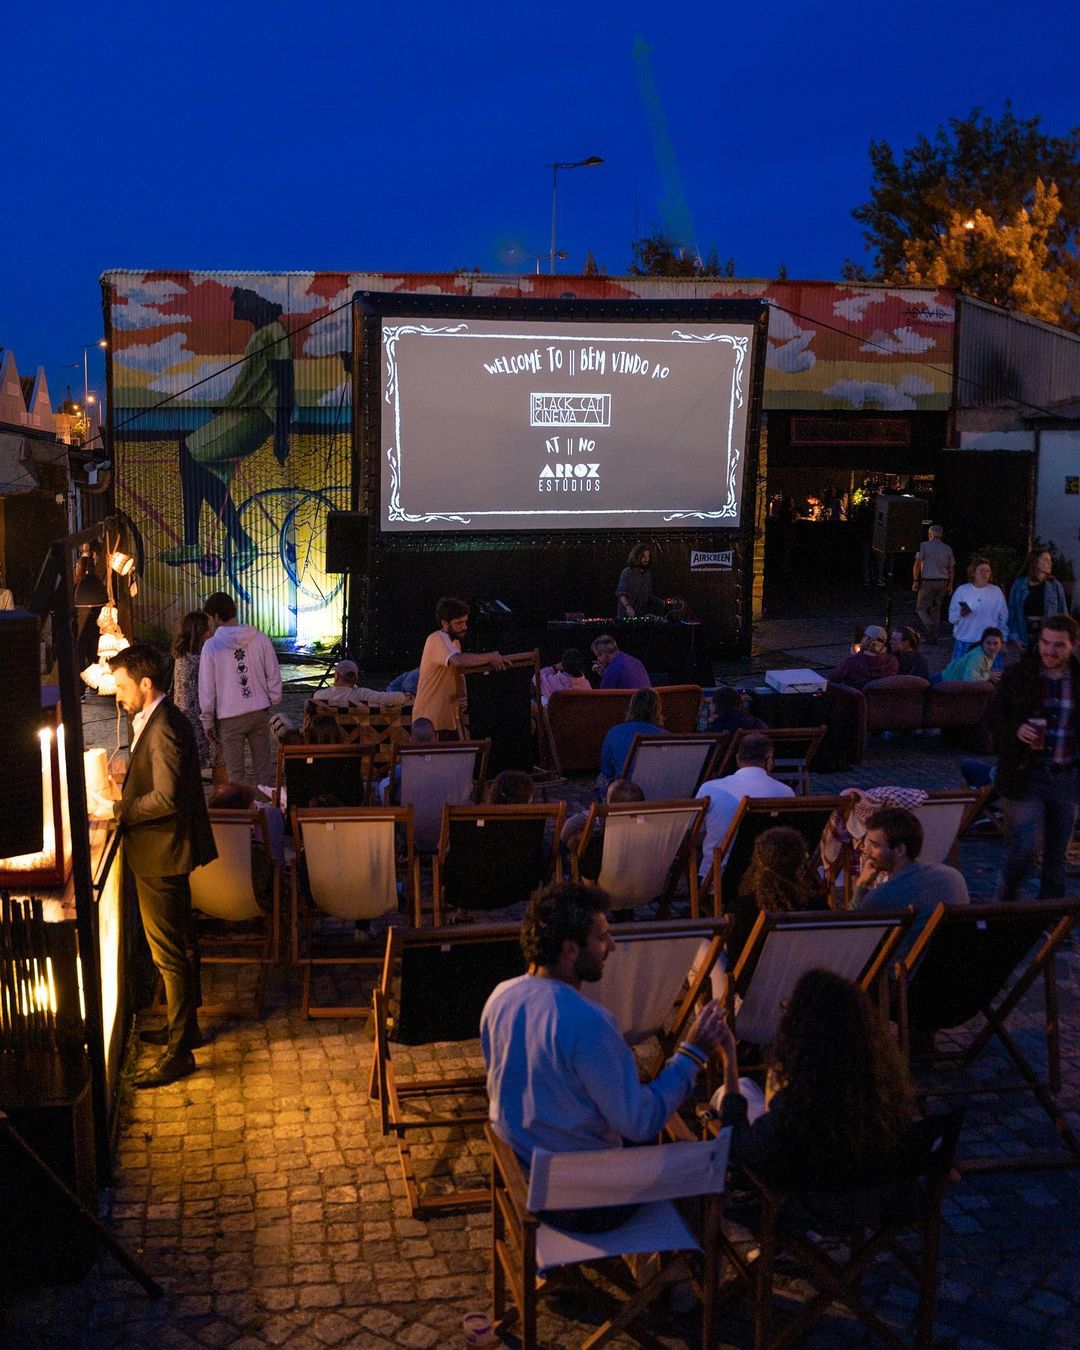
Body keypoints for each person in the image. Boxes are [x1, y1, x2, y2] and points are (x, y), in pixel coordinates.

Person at [480, 881, 729, 1231]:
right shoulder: (588, 1022)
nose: (611, 946)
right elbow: (639, 1123)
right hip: (584, 1202)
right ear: (569, 949)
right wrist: (691, 1053)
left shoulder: (499, 998)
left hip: (525, 1172)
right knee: (701, 1168)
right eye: (601, 938)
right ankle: (667, 1279)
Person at [88, 644, 216, 1088]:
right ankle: (187, 1031)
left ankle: (179, 1053)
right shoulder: (161, 719)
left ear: (145, 684)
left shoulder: (163, 727)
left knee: (170, 954)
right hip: (167, 849)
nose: (118, 697)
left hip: (161, 852)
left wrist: (117, 809)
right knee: (181, 944)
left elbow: (166, 797)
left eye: (122, 687)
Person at [711, 970, 918, 1212]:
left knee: (732, 1091)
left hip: (811, 1207)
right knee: (746, 1088)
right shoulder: (882, 1087)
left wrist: (730, 1060)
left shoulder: (797, 1104)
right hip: (873, 1204)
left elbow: (736, 1148)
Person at [161, 287, 293, 569]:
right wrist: (226, 405)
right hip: (246, 414)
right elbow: (250, 382)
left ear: (251, 303)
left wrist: (281, 436)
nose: (233, 309)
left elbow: (286, 388)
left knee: (189, 452)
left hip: (257, 418)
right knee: (198, 461)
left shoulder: (274, 333)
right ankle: (228, 542)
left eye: (237, 303)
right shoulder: (263, 333)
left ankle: (205, 544)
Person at [992, 613, 1080, 901]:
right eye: (1045, 643)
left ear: (1073, 646)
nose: (1050, 651)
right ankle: (1004, 903)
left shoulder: (1077, 680)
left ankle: (1051, 921)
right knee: (1023, 848)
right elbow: (993, 719)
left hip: (1066, 776)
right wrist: (1017, 730)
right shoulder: (1020, 675)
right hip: (1025, 774)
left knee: (1056, 856)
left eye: (1058, 645)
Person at [854, 806, 969, 955]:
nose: (866, 850)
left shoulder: (881, 897)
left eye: (875, 845)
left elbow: (853, 937)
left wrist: (861, 885)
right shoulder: (953, 876)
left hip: (904, 970)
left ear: (900, 850)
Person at [198, 591, 282, 793]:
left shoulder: (211, 646)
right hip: (258, 711)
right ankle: (270, 814)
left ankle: (243, 817)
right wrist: (274, 697)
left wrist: (206, 719)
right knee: (264, 770)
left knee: (236, 775)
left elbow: (207, 687)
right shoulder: (259, 638)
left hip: (229, 716)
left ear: (216, 616)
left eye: (211, 618)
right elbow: (273, 671)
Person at [697, 732, 795, 877]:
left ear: (738, 758)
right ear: (769, 760)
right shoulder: (785, 792)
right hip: (764, 879)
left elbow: (696, 834)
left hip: (717, 880)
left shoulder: (710, 789)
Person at [411, 597, 507, 737]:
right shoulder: (436, 639)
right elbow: (458, 661)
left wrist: (463, 695)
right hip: (429, 724)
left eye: (465, 622)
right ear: (444, 623)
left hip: (447, 721)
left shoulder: (455, 643)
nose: (464, 627)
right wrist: (490, 657)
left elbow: (458, 672)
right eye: (459, 623)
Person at [728, 827, 820, 967]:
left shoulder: (742, 908)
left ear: (757, 861)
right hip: (804, 982)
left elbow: (734, 960)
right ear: (799, 866)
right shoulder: (816, 907)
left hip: (752, 986)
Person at [171, 610, 216, 771]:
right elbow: (185, 701)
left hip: (195, 719)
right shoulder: (191, 661)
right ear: (197, 634)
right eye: (206, 630)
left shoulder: (187, 656)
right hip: (192, 721)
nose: (210, 634)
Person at [598, 687, 668, 786]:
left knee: (601, 778)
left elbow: (606, 769)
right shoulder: (666, 736)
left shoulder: (614, 732)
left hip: (624, 791)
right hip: (656, 788)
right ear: (657, 710)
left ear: (632, 707)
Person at [1008, 549, 1069, 653]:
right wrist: (1015, 636)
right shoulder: (1019, 585)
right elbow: (1012, 612)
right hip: (1026, 635)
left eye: (1050, 560)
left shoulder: (1055, 586)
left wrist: (1065, 637)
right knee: (1028, 666)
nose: (1050, 563)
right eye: (1045, 560)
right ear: (1034, 562)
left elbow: (1063, 613)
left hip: (1049, 635)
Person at [948, 557, 1009, 659]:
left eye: (987, 571)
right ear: (973, 572)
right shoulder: (962, 590)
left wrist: (1004, 639)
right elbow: (951, 617)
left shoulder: (996, 591)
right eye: (981, 570)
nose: (984, 573)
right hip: (965, 639)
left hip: (989, 643)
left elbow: (1003, 617)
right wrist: (960, 614)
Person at [911, 525, 955, 644]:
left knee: (920, 608)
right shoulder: (947, 548)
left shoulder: (924, 546)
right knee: (936, 609)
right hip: (943, 582)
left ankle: (928, 624)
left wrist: (915, 580)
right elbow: (951, 569)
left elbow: (917, 564)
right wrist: (950, 585)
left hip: (928, 581)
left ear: (930, 534)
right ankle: (933, 637)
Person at [377, 716, 436, 803]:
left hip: (410, 809)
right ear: (436, 737)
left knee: (383, 784)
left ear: (411, 740)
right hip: (441, 809)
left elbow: (387, 783)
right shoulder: (446, 762)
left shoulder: (405, 767)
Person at [827, 625, 898, 689]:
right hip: (880, 701)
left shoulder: (852, 661)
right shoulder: (892, 662)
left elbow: (833, 677)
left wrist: (852, 656)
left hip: (854, 700)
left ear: (866, 639)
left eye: (864, 637)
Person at [935, 627, 1004, 685]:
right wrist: (989, 675)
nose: (991, 647)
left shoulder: (990, 653)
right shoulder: (978, 656)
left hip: (948, 681)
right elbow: (970, 680)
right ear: (983, 643)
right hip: (941, 682)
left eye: (995, 643)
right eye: (988, 643)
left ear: (1001, 645)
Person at [615, 542, 656, 619]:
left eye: (648, 556)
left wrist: (664, 603)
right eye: (644, 556)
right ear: (637, 556)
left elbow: (649, 596)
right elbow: (621, 594)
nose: (647, 559)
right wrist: (628, 606)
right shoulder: (627, 572)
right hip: (626, 616)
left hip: (641, 615)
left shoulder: (647, 574)